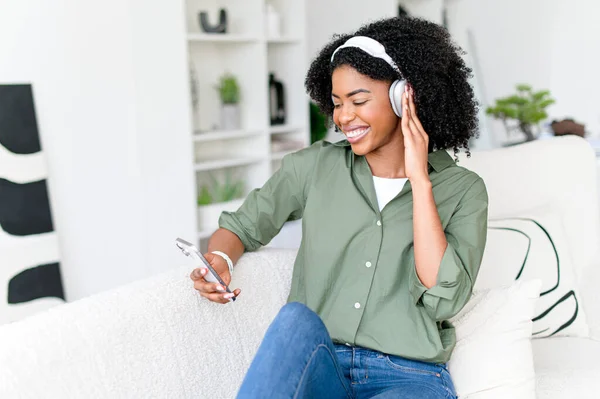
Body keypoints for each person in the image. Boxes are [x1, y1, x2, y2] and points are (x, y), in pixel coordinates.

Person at [190, 16, 488, 399]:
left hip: (408, 377)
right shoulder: (315, 167)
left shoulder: (463, 190)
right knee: (295, 320)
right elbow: (242, 226)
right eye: (337, 104)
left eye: (359, 100)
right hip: (320, 362)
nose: (344, 117)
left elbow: (444, 295)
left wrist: (419, 180)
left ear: (405, 96)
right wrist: (220, 260)